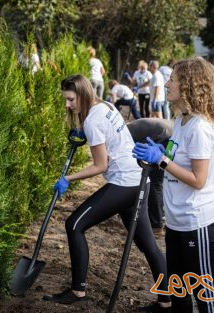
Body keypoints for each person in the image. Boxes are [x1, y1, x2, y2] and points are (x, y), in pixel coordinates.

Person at [43, 74, 171, 312]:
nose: (67, 105)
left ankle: (77, 290)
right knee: (147, 244)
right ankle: (166, 301)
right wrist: (83, 133)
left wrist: (67, 179)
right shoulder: (105, 106)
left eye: (70, 100)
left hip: (124, 183)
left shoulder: (93, 120)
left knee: (74, 225)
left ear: (81, 95)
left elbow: (100, 165)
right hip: (137, 180)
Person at [133, 57, 214, 313]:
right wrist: (161, 152)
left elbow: (198, 180)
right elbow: (176, 158)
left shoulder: (199, 128)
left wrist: (161, 160)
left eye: (172, 79)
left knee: (207, 299)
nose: (167, 83)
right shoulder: (181, 122)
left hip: (198, 224)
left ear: (188, 85)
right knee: (179, 295)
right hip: (176, 223)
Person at [127, 118, 173, 237]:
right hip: (165, 134)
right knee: (160, 181)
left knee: (155, 183)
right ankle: (160, 218)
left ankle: (157, 225)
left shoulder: (124, 135)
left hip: (164, 139)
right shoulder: (128, 129)